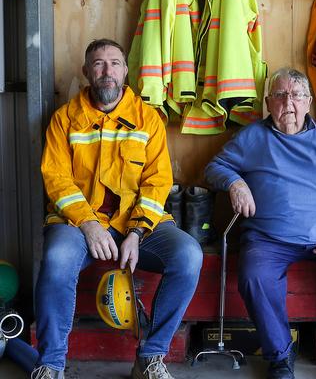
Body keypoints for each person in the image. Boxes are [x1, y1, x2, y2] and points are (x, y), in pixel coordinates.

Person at [33, 39, 203, 379]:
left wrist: (138, 232)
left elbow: (157, 182)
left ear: (126, 71)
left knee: (189, 255)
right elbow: (57, 180)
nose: (107, 71)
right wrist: (88, 224)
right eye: (98, 64)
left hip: (136, 223)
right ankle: (50, 364)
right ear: (86, 72)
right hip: (78, 224)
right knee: (56, 258)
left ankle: (150, 358)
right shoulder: (64, 119)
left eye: (114, 63)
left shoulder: (148, 119)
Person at [205, 68, 316, 379]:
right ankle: (280, 357)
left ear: (308, 102)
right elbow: (215, 166)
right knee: (254, 275)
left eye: (297, 95)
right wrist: (234, 183)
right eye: (280, 95)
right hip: (269, 239)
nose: (289, 102)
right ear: (268, 102)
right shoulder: (252, 138)